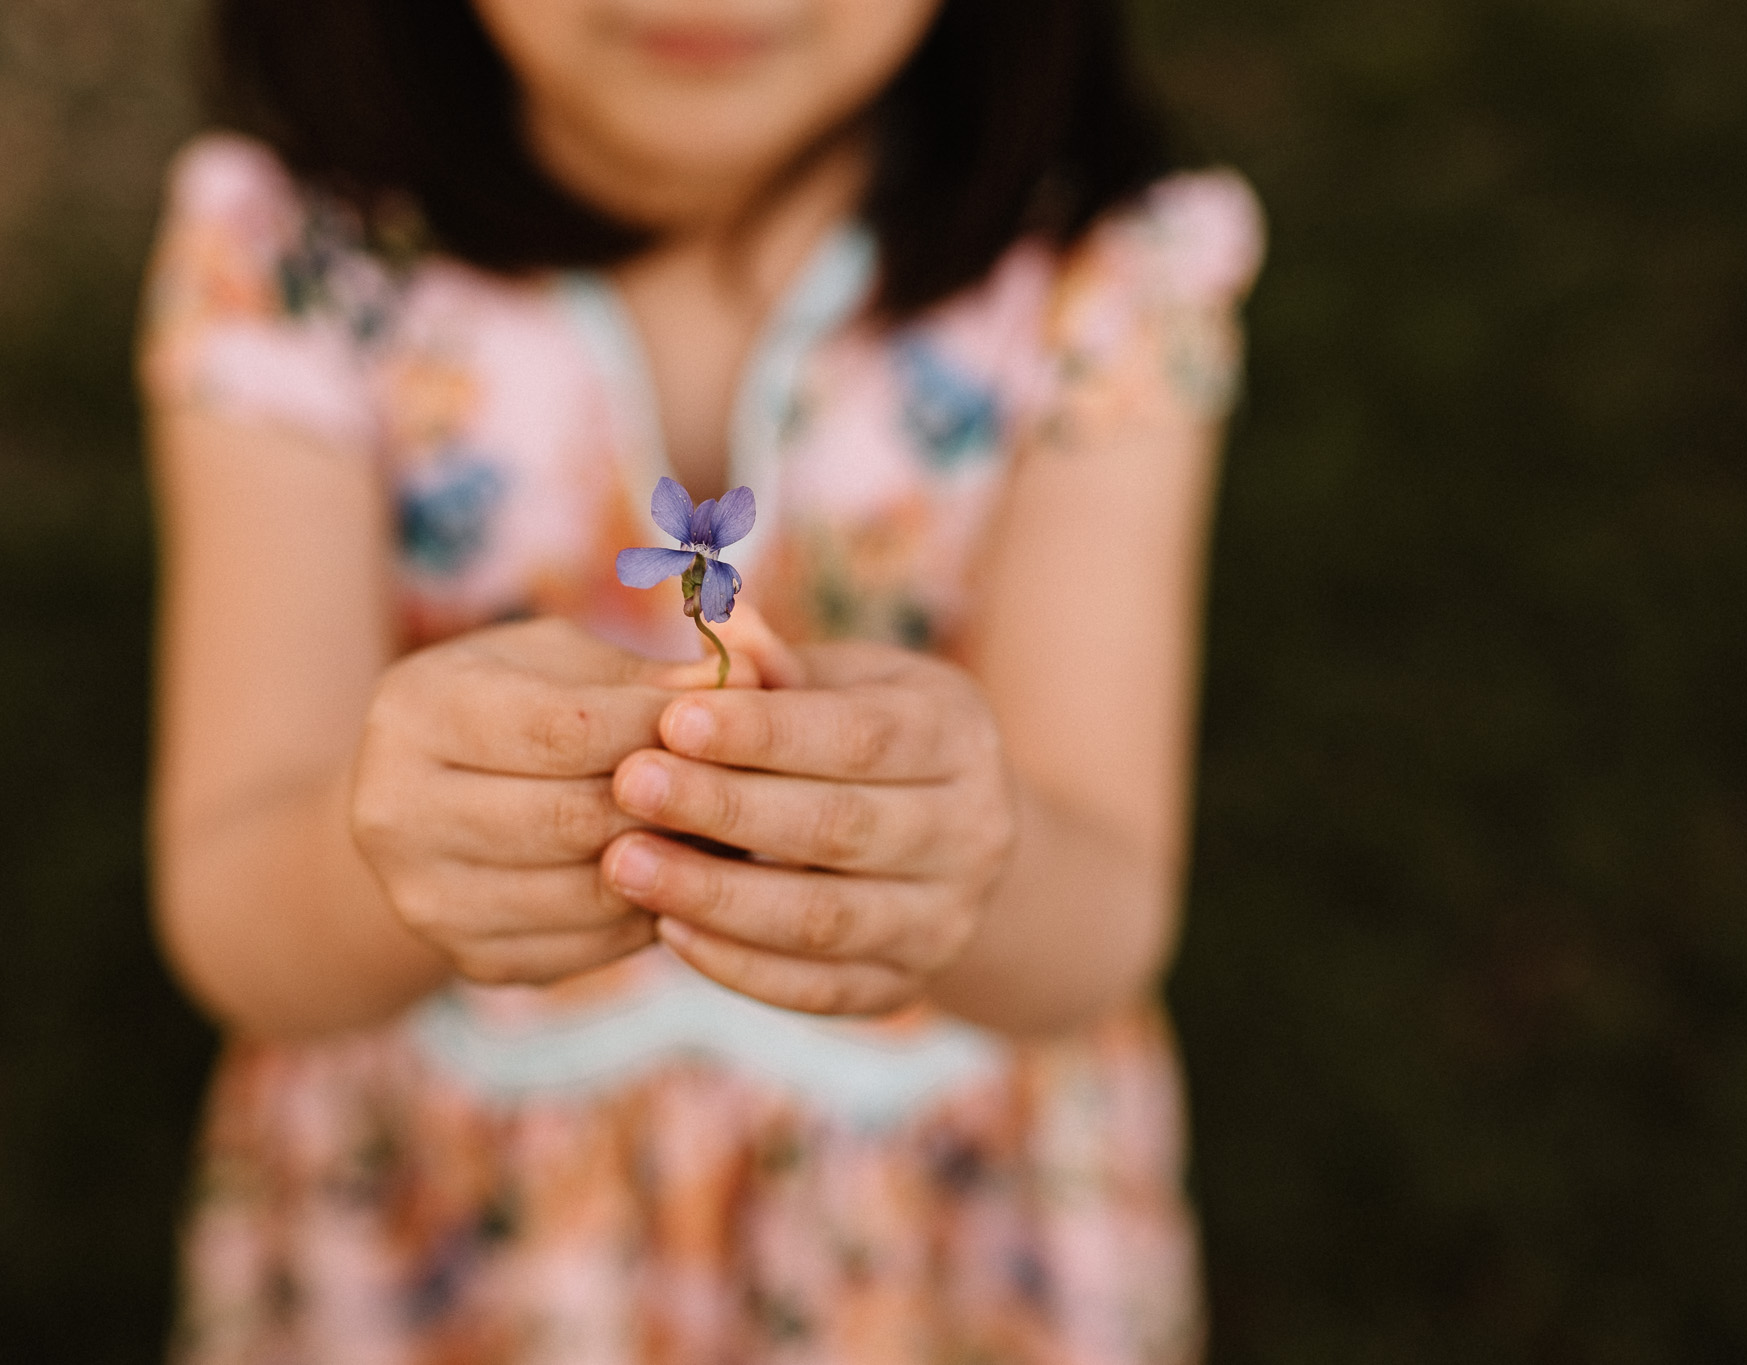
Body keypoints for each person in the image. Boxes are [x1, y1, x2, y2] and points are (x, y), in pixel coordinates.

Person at [143, 0, 1261, 1358]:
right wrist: (387, 858)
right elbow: (235, 908)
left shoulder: (1098, 283)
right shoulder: (297, 269)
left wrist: (962, 859)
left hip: (927, 1235)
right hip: (450, 1222)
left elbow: (1104, 917)